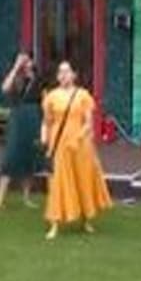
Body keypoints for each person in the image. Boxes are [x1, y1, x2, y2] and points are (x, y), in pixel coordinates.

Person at [41, 61, 112, 240]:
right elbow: (47, 122)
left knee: (83, 179)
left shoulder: (83, 95)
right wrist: (44, 141)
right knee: (58, 182)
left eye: (67, 72)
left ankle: (86, 219)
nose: (64, 76)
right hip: (59, 144)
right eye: (61, 72)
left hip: (80, 145)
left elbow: (88, 123)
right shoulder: (51, 96)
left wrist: (78, 137)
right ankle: (55, 223)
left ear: (74, 75)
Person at [0, 51, 44, 213]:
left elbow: (44, 98)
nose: (25, 63)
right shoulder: (15, 78)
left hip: (33, 116)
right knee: (10, 157)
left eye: (27, 60)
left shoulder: (38, 78)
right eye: (22, 60)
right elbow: (5, 88)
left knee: (29, 156)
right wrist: (15, 67)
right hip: (18, 116)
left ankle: (27, 198)